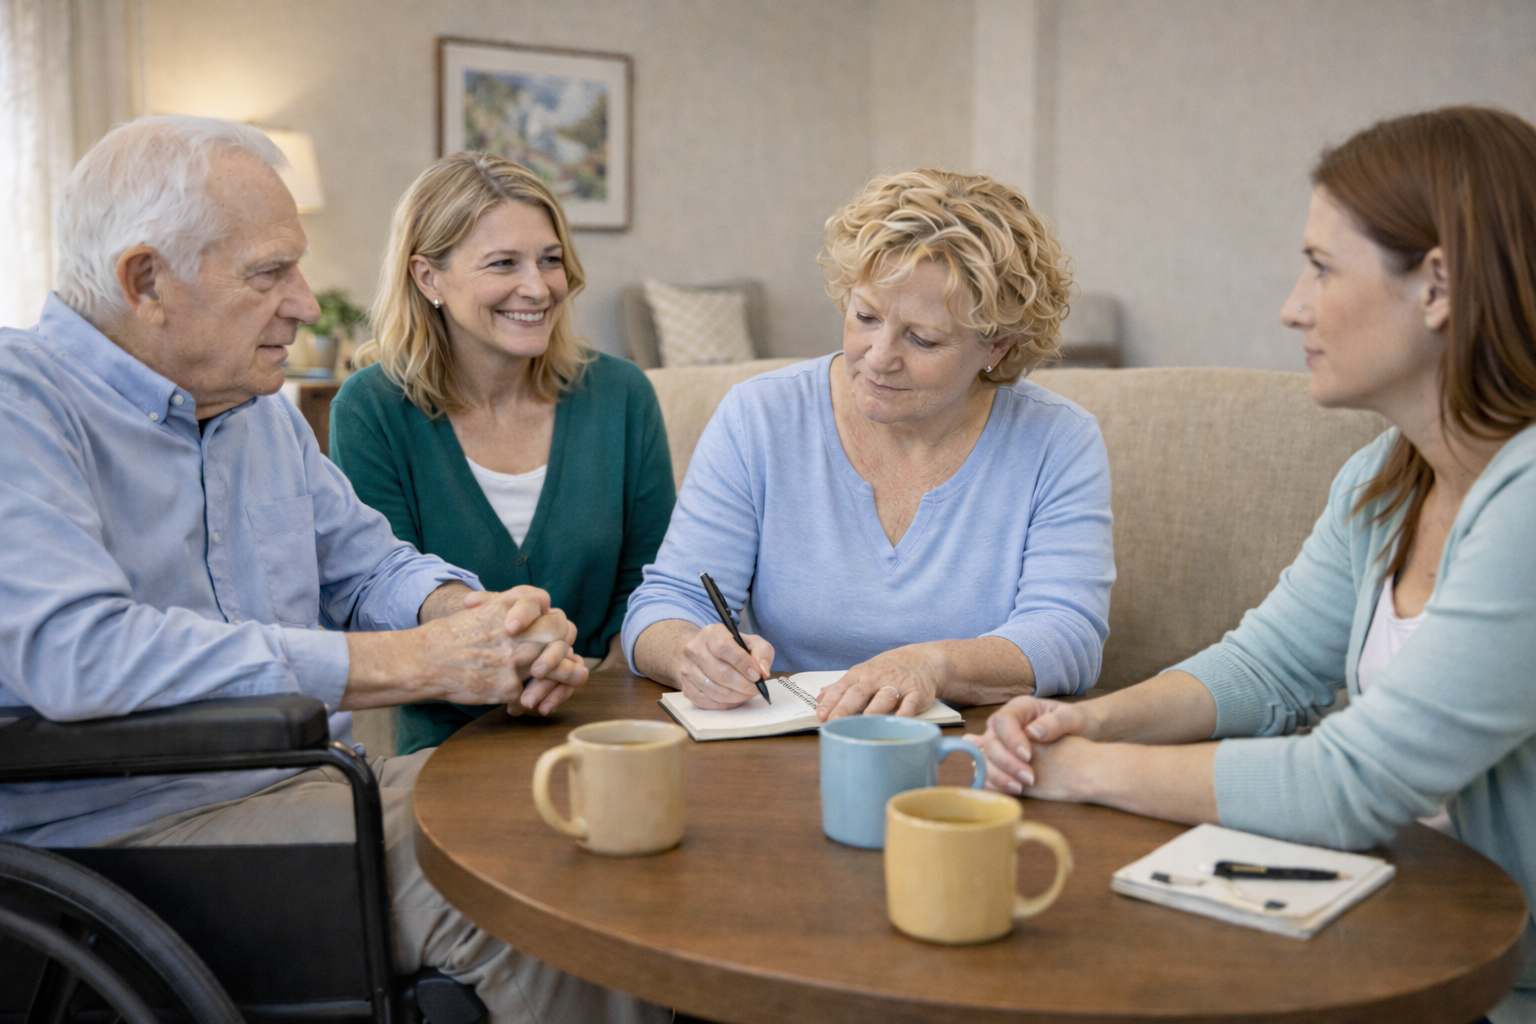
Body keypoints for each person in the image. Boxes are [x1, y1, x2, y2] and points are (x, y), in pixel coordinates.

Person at [0, 115, 662, 1023]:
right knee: (550, 894)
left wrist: (472, 615)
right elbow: (78, 652)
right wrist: (422, 663)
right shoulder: (19, 403)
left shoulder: (255, 412)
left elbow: (367, 567)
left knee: (595, 811)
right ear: (145, 280)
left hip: (300, 786)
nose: (309, 303)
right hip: (126, 836)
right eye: (270, 273)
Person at [974, 107, 1536, 1021]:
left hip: (1498, 983)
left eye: (1321, 267)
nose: (1292, 306)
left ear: (1438, 286)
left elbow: (1345, 786)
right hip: (1396, 934)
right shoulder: (1383, 481)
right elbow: (1267, 668)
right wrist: (1092, 721)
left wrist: (1081, 769)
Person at [623, 169, 1115, 720]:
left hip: (973, 753)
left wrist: (933, 666)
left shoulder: (1057, 441)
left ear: (995, 346)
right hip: (785, 746)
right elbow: (666, 604)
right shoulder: (760, 417)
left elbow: (1069, 636)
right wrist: (691, 654)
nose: (878, 356)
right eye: (865, 317)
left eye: (923, 338)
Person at [329, 152, 674, 755]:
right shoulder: (371, 408)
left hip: (610, 733)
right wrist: (506, 665)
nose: (538, 288)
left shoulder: (622, 395)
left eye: (550, 260)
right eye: (503, 264)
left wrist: (592, 696)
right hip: (449, 751)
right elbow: (380, 598)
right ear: (427, 277)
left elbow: (647, 589)